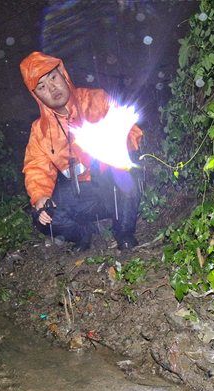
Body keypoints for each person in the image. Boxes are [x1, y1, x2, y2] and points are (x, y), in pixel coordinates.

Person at [19, 51, 143, 250]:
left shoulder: (96, 99)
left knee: (125, 172)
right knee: (42, 214)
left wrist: (115, 144)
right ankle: (83, 233)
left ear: (62, 73)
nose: (52, 88)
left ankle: (123, 232)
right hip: (82, 195)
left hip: (111, 186)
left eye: (53, 78)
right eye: (41, 87)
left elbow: (133, 132)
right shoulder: (39, 130)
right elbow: (36, 168)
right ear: (36, 95)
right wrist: (40, 195)